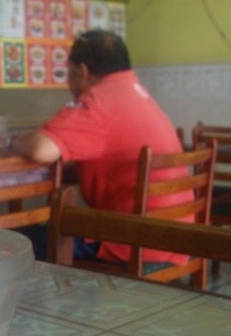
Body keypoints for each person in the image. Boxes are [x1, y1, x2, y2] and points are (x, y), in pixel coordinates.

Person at [13, 29, 191, 265]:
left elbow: (41, 149)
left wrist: (12, 141)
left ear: (82, 71)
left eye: (69, 73)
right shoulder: (137, 94)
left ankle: (51, 290)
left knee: (16, 241)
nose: (69, 84)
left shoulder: (99, 102)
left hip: (133, 241)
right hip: (175, 237)